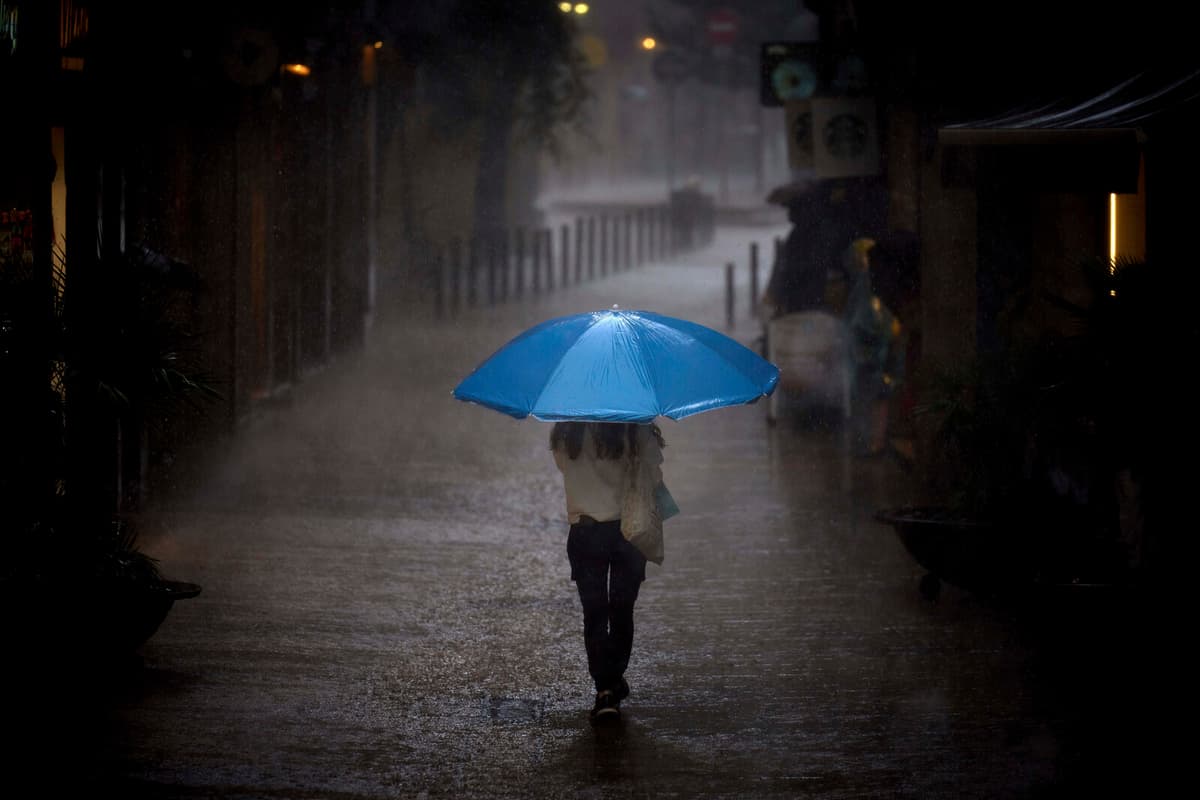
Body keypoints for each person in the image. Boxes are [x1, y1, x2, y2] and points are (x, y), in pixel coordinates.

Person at [550, 420, 666, 723]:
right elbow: (653, 476)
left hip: (586, 534)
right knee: (621, 609)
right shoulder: (635, 427)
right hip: (629, 532)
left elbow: (565, 467)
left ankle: (605, 687)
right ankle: (611, 680)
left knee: (596, 613)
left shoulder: (566, 432)